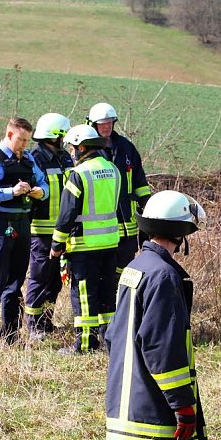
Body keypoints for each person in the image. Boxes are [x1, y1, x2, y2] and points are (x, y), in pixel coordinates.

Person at [105, 190, 208, 440]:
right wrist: (183, 406)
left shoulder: (135, 268)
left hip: (122, 409)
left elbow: (113, 337)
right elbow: (163, 349)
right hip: (152, 414)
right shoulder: (164, 276)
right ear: (181, 233)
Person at [0, 117, 49, 346]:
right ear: (9, 135)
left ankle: (11, 335)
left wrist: (39, 192)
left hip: (23, 224)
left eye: (27, 140)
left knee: (15, 282)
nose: (25, 145)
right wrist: (11, 192)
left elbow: (44, 184)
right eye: (21, 140)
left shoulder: (29, 159)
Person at [50, 124, 121, 355]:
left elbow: (66, 215)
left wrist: (57, 245)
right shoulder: (113, 169)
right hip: (111, 243)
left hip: (84, 246)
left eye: (72, 148)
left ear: (81, 147)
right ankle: (111, 342)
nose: (71, 152)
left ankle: (85, 345)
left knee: (84, 295)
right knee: (108, 294)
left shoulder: (78, 175)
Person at [23, 113, 75, 341]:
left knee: (56, 279)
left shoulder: (64, 158)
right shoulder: (35, 159)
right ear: (56, 136)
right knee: (40, 277)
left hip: (61, 229)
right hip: (41, 230)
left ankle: (46, 321)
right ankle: (32, 325)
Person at [87, 102, 151, 281]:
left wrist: (147, 205)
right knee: (102, 274)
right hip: (101, 227)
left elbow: (140, 181)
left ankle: (120, 303)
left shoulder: (126, 147)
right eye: (102, 123)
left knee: (124, 272)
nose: (106, 126)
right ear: (93, 124)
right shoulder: (88, 150)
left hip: (127, 225)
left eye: (109, 122)